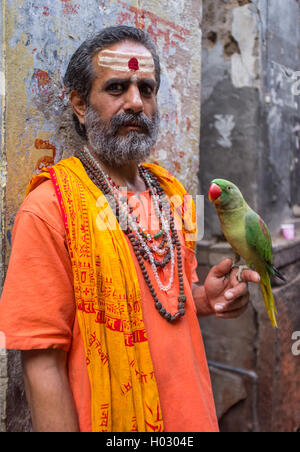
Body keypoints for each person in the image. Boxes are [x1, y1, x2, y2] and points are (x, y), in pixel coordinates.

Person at [0, 25, 260, 433]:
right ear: (81, 106)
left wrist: (205, 299)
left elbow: (170, 298)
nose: (136, 103)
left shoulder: (173, 193)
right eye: (117, 87)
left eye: (147, 88)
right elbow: (42, 362)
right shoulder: (49, 209)